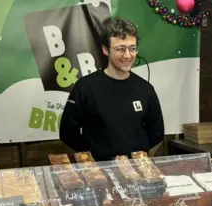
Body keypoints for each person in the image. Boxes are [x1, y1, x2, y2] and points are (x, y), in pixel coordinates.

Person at [59, 17, 165, 161]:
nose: (128, 55)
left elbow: (157, 133)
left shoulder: (145, 89)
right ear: (105, 49)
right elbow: (68, 133)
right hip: (100, 171)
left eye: (132, 48)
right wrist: (93, 154)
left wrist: (139, 157)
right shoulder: (85, 87)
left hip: (137, 169)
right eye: (120, 49)